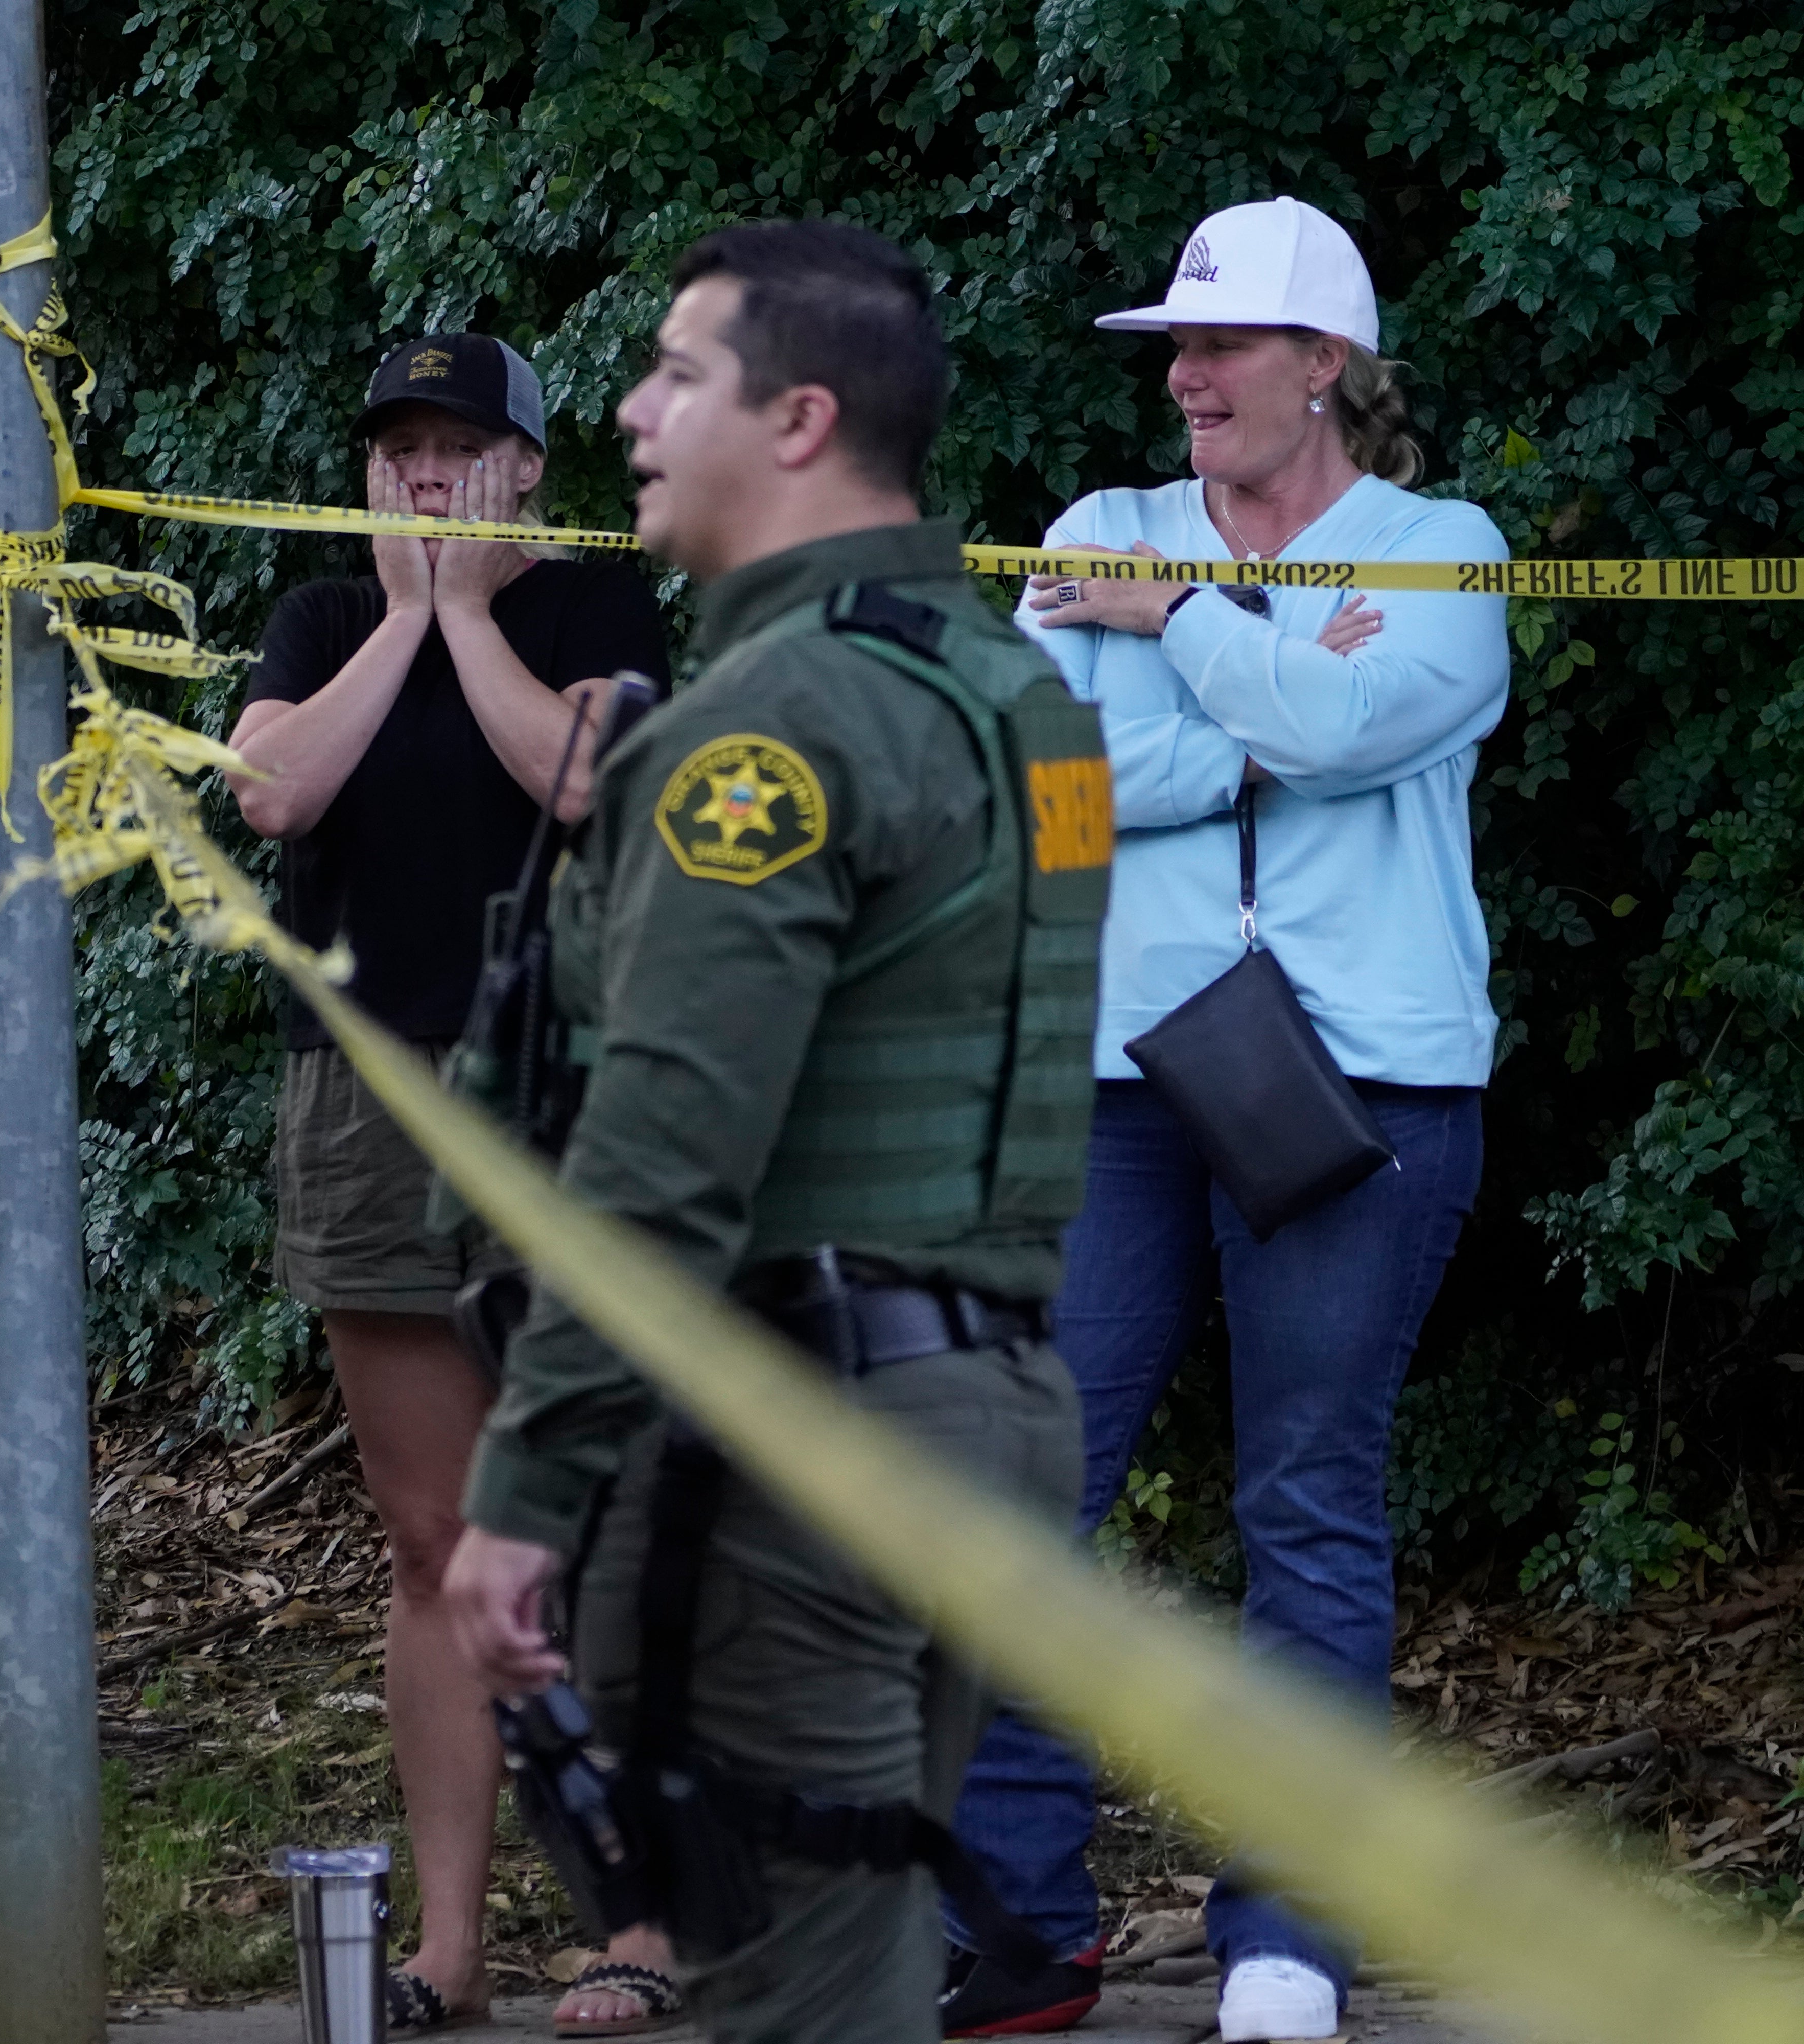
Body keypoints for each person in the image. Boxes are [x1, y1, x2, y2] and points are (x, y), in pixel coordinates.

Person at [439, 220, 1103, 2044]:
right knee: (848, 1958)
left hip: (792, 1448)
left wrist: (523, 1493)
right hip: (984, 1413)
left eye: (675, 374)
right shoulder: (1013, 690)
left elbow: (661, 1163)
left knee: (798, 1992)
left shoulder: (765, 730)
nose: (628, 411)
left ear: (798, 418)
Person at [944, 197, 1507, 2044]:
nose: (1181, 376)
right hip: (1123, 1074)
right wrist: (1267, 703)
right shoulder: (1090, 534)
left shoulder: (1443, 549)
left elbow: (1373, 728)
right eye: (1171, 349)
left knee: (1305, 1500)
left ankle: (1290, 1939)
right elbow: (1047, 794)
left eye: (1217, 345)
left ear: (1322, 365)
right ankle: (1016, 1930)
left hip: (1368, 1076)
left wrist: (1175, 622)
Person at [228, 333, 676, 2033]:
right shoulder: (321, 620)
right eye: (398, 447)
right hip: (365, 1100)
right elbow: (274, 795)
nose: (422, 473)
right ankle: (449, 1944)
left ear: (527, 473)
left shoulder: (597, 609)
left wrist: (473, 615)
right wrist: (407, 619)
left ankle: (643, 1926)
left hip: (565, 1101)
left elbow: (583, 780)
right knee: (431, 1539)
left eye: (459, 447)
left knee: (596, 1516)